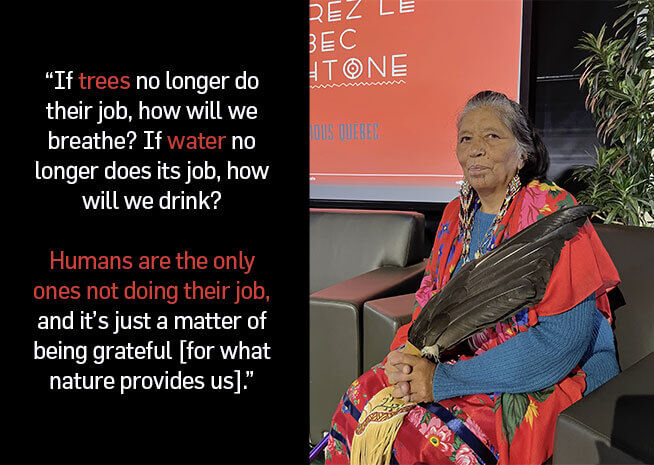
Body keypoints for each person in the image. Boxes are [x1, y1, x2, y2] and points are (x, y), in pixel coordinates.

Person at [325, 91, 620, 465]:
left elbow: (562, 343)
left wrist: (441, 381)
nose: (475, 149)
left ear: (523, 152)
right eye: (466, 138)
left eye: (492, 136)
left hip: (546, 372)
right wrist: (407, 355)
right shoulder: (454, 215)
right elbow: (431, 305)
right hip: (459, 361)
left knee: (430, 434)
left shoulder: (551, 212)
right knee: (364, 395)